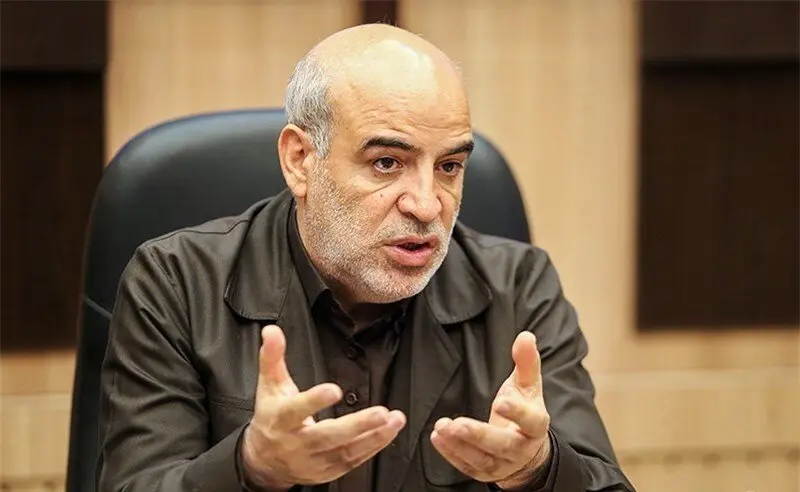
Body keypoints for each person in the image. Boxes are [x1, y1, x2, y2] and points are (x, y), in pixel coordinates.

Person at [96, 23, 634, 492]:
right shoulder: (176, 284)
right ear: (300, 160)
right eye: (386, 163)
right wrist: (252, 466)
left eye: (449, 167)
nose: (427, 205)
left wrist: (538, 470)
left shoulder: (520, 288)